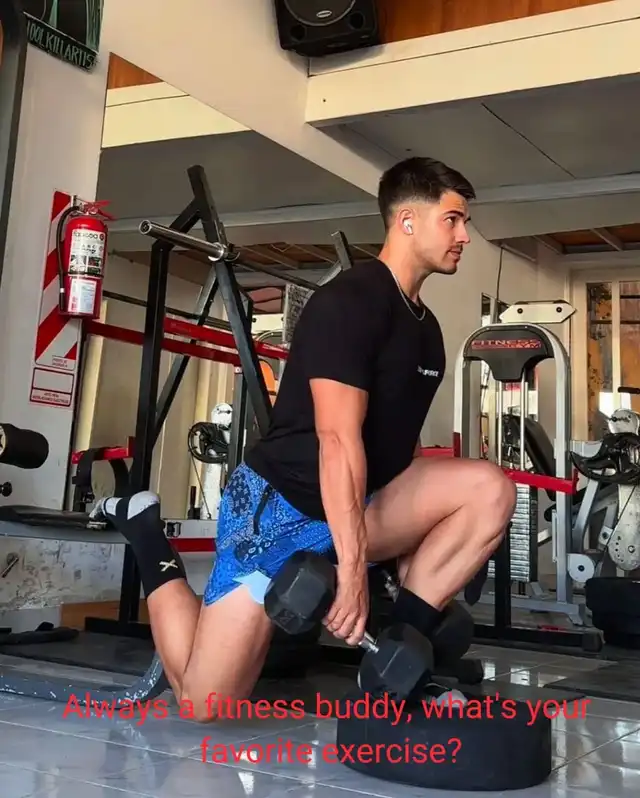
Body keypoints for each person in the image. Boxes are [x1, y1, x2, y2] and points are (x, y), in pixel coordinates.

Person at [92, 156, 516, 721]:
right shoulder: (350, 303)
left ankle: (391, 665)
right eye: (453, 220)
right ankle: (147, 534)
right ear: (408, 220)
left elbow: (401, 449)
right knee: (205, 703)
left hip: (358, 504)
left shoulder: (427, 331)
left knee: (489, 489)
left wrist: (413, 554)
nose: (464, 236)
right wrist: (353, 571)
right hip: (280, 508)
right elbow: (337, 442)